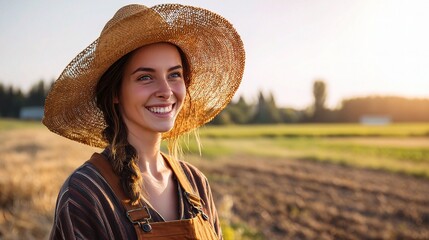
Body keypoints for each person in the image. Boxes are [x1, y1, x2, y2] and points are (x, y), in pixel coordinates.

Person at [43, 3, 245, 240]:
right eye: (146, 77)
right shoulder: (85, 194)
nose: (166, 90)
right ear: (115, 92)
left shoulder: (196, 183)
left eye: (174, 74)